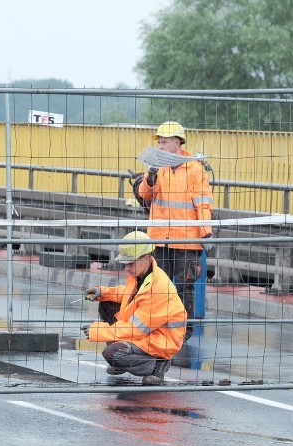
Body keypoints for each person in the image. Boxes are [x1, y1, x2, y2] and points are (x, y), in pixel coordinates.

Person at [137, 121, 213, 339]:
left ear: (178, 142)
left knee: (185, 286)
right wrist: (149, 177)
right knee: (159, 287)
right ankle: (161, 326)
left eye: (165, 142)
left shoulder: (195, 169)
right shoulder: (156, 167)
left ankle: (183, 329)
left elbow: (204, 202)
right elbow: (145, 196)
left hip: (187, 240)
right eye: (159, 142)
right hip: (160, 239)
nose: (161, 146)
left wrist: (205, 232)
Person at [81, 231, 187, 386]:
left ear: (145, 257)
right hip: (149, 331)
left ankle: (159, 363)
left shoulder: (159, 288)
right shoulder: (142, 274)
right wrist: (103, 293)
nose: (126, 268)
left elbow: (136, 329)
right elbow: (129, 295)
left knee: (113, 354)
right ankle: (125, 359)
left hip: (162, 341)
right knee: (106, 304)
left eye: (130, 263)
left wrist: (97, 330)